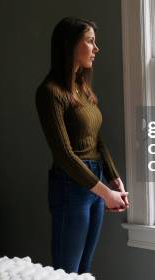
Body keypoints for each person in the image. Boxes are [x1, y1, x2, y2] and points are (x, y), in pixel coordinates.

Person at [35, 17, 129, 275]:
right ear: (69, 45)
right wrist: (104, 192)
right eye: (90, 41)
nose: (96, 49)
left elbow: (96, 139)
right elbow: (64, 154)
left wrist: (113, 177)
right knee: (67, 272)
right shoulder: (50, 92)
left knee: (85, 269)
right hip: (70, 186)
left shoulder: (83, 89)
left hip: (94, 180)